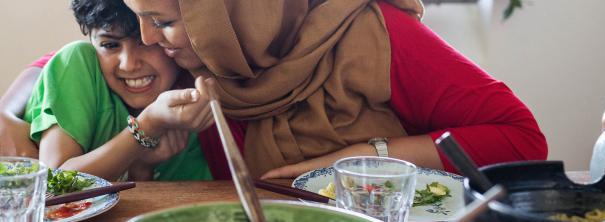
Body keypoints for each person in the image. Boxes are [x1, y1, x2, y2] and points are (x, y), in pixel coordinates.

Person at [120, 0, 547, 181]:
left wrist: (361, 159)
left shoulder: (374, 35)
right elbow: (59, 69)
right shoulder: (192, 65)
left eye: (161, 21)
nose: (147, 39)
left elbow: (521, 140)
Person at [3, 0, 214, 181]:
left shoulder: (191, 101)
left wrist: (141, 167)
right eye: (110, 45)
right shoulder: (77, 63)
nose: (129, 64)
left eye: (145, 44)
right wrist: (148, 125)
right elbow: (55, 180)